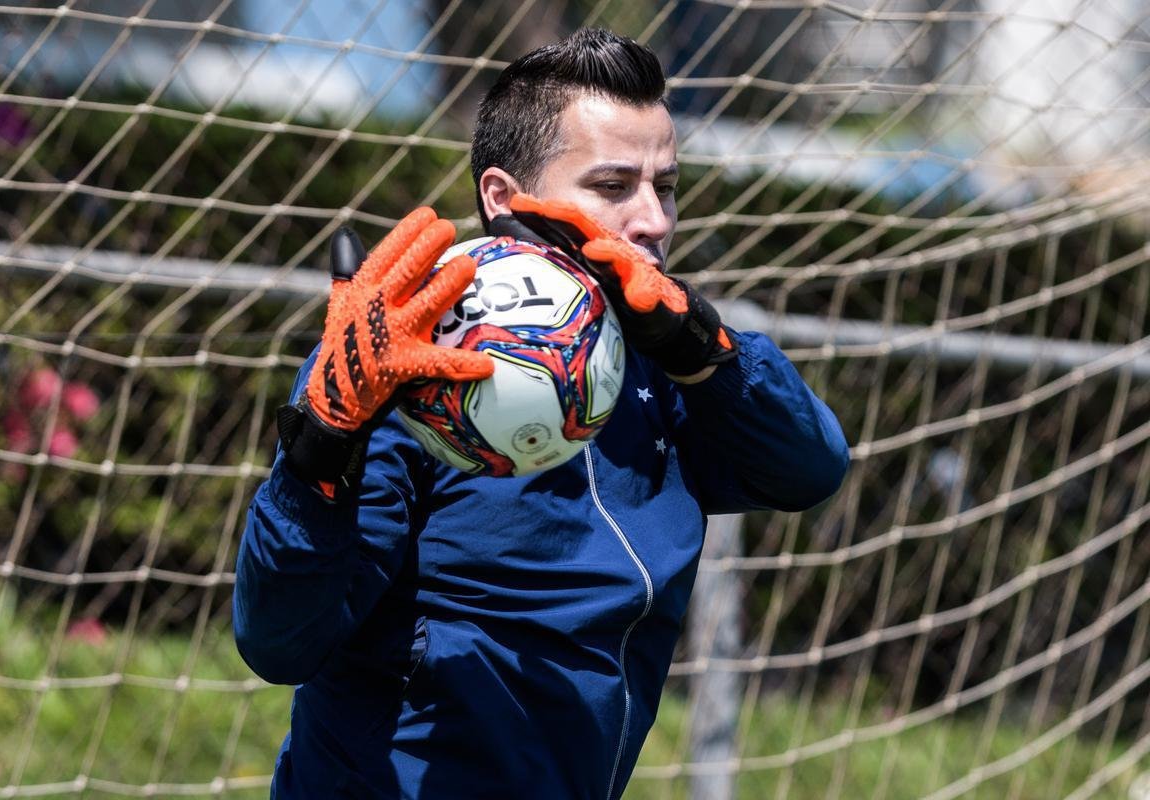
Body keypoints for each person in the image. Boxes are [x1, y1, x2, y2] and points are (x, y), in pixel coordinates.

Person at [234, 27, 849, 799]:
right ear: (503, 199)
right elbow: (279, 642)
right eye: (615, 185)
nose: (654, 219)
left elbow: (811, 466)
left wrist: (704, 348)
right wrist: (321, 451)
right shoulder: (408, 375)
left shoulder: (664, 364)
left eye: (667, 186)